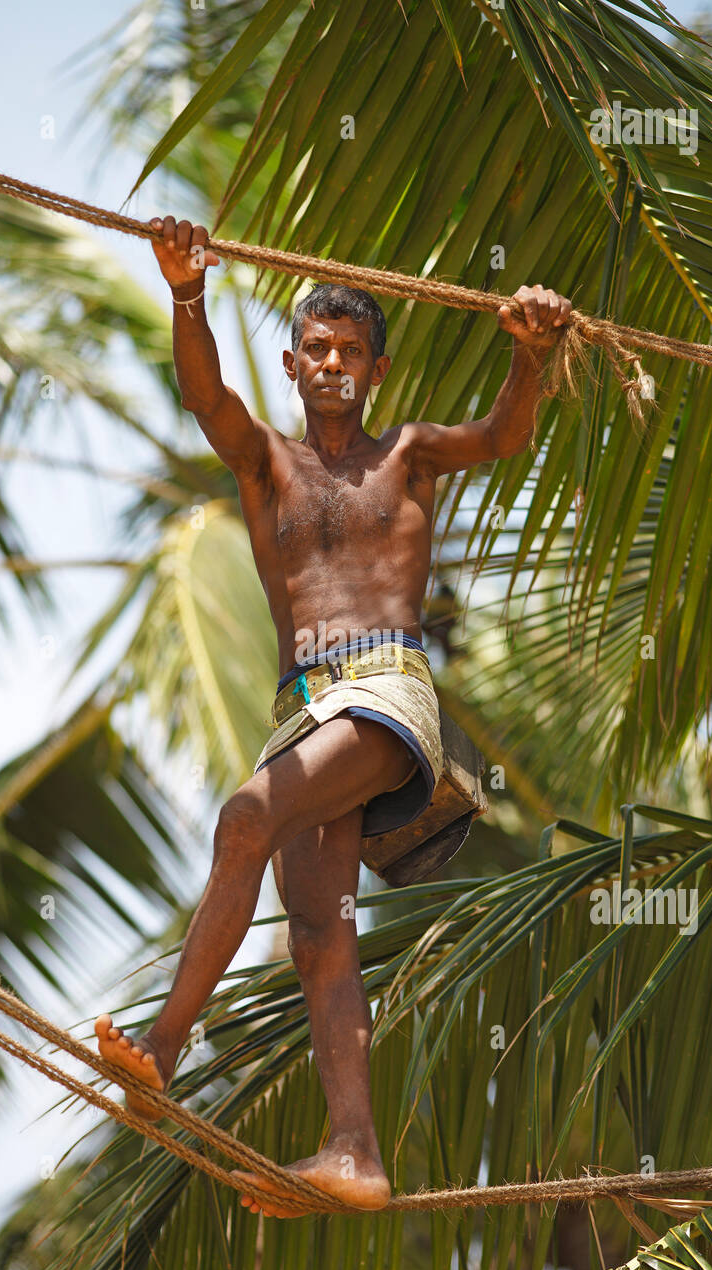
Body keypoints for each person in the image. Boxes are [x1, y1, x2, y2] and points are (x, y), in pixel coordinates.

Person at [96, 217, 571, 1217]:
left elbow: (502, 435)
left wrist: (530, 353)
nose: (331, 363)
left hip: (387, 690)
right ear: (292, 359)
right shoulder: (262, 459)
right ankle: (353, 1150)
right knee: (317, 933)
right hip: (299, 708)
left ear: (376, 368)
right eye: (316, 348)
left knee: (242, 817)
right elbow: (203, 397)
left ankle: (162, 1045)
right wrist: (187, 292)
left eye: (350, 350)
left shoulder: (408, 455)